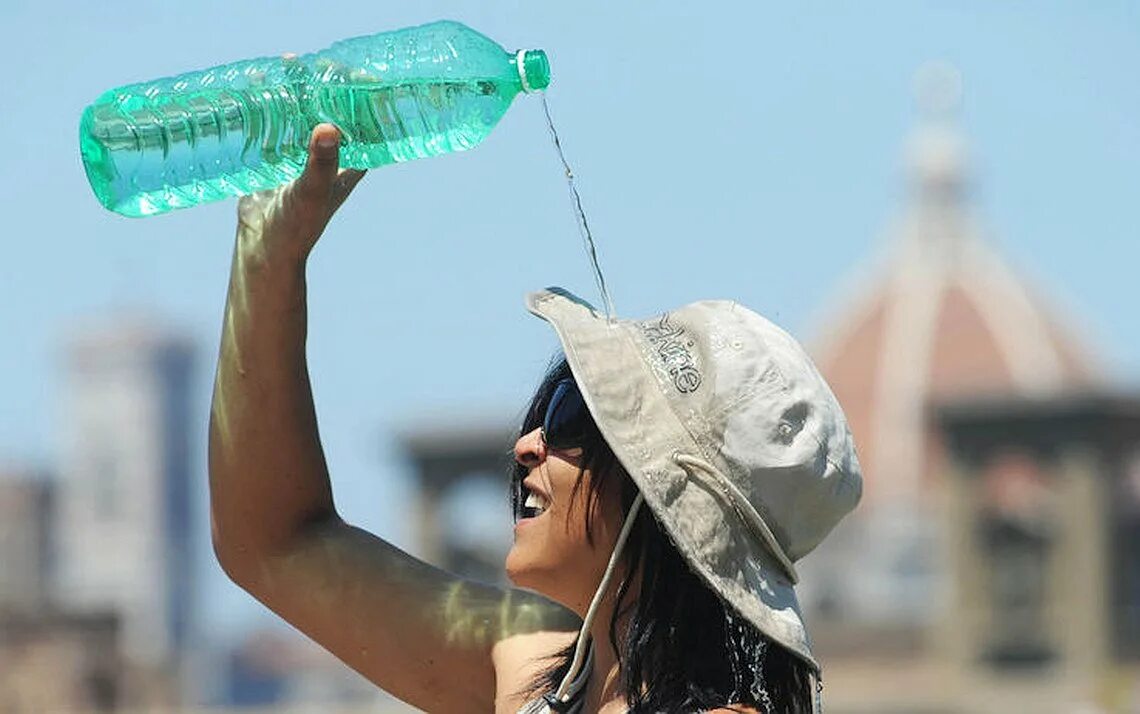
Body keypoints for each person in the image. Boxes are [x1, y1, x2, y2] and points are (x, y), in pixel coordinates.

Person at [209, 124, 862, 714]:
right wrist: (269, 261)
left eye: (575, 417)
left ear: (670, 501)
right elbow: (276, 543)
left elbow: (279, 546)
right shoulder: (539, 675)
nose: (526, 443)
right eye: (547, 409)